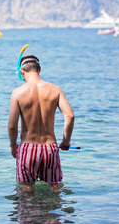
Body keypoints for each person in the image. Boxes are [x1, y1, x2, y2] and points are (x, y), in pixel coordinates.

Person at [8, 54, 74, 188]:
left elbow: (12, 125)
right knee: (55, 190)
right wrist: (66, 141)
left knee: (25, 192)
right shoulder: (55, 90)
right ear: (39, 69)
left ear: (22, 72)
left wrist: (13, 145)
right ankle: (53, 208)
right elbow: (70, 116)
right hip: (50, 148)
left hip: (28, 148)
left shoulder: (18, 93)